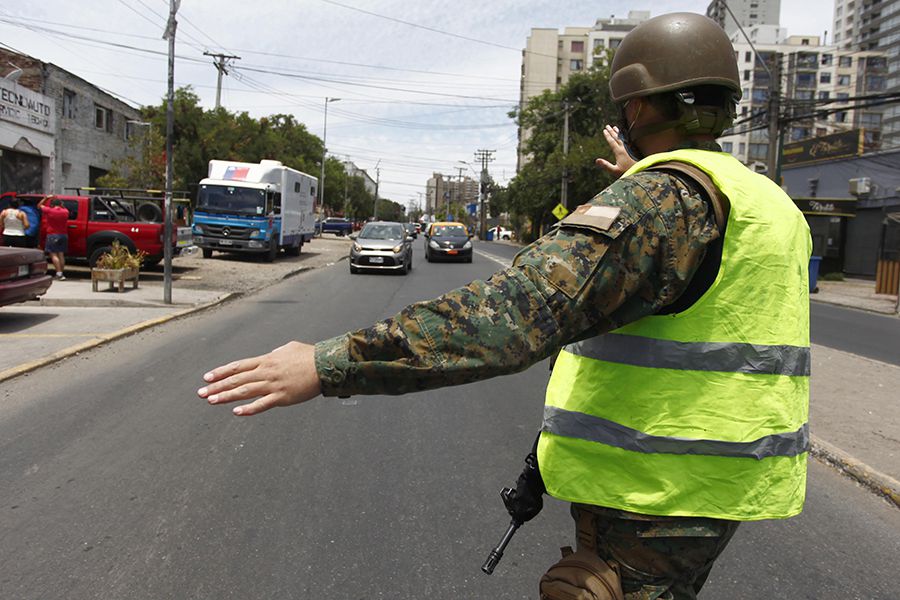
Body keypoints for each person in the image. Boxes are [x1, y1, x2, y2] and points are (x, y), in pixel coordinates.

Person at [198, 13, 811, 599]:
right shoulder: (768, 201)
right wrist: (647, 179)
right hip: (723, 481)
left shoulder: (662, 199)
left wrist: (329, 362)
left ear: (638, 106)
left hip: (651, 489)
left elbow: (512, 316)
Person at [38, 195, 70, 280]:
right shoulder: (65, 211)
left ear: (52, 205)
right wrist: (61, 204)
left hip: (52, 235)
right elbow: (64, 207)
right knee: (61, 254)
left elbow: (39, 206)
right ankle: (61, 273)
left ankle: (59, 273)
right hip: (63, 235)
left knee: (53, 254)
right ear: (60, 204)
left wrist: (46, 198)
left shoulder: (49, 210)